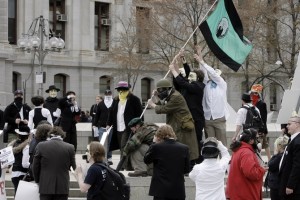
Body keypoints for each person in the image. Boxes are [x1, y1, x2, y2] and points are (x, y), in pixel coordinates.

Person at [147, 79, 199, 162]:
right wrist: (156, 97)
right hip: (177, 125)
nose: (160, 92)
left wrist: (152, 104)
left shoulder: (176, 97)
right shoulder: (171, 96)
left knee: (186, 147)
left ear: (167, 89)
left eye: (161, 90)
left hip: (183, 127)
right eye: (159, 90)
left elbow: (164, 109)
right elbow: (163, 106)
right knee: (179, 149)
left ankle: (188, 167)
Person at [170, 54, 206, 163]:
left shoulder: (199, 86)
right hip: (188, 118)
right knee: (188, 141)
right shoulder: (190, 84)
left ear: (198, 78)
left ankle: (199, 161)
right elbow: (182, 79)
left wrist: (174, 71)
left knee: (197, 140)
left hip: (197, 119)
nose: (188, 77)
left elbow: (183, 82)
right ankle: (189, 162)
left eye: (192, 76)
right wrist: (181, 62)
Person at [144, 124, 190, 200]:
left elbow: (146, 160)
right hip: (178, 190)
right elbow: (186, 170)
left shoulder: (156, 147)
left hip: (160, 190)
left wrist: (153, 143)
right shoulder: (184, 148)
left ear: (159, 135)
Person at [195, 47, 229, 146]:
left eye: (216, 75)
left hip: (219, 118)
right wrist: (201, 60)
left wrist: (203, 62)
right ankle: (212, 160)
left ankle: (224, 161)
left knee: (222, 145)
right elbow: (204, 73)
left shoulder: (222, 84)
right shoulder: (206, 84)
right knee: (210, 144)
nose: (213, 76)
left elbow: (213, 74)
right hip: (208, 119)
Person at [32, 126, 76, 200]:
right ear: (62, 135)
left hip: (45, 185)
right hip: (62, 186)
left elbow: (35, 166)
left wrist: (37, 180)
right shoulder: (70, 147)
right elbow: (74, 167)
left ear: (50, 135)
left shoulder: (41, 146)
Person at [107, 81, 143, 163]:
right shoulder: (116, 100)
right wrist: (109, 124)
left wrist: (138, 125)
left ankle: (122, 165)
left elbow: (140, 114)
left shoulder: (134, 100)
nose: (121, 91)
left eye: (123, 90)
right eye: (119, 90)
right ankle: (128, 164)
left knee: (124, 146)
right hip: (118, 127)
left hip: (129, 127)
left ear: (128, 90)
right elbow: (111, 113)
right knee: (121, 146)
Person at [226, 128, 267, 200]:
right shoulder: (247, 153)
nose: (259, 141)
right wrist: (262, 169)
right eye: (257, 138)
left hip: (239, 193)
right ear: (251, 140)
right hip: (245, 194)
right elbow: (251, 173)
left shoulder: (239, 150)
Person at [279, 116, 300, 199]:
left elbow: (297, 165)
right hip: (286, 183)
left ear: (297, 124)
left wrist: (290, 185)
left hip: (294, 188)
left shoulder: (298, 142)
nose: (287, 126)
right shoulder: (293, 139)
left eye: (289, 124)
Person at [250, 84, 271, 161]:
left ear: (258, 94)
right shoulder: (252, 103)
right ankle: (269, 159)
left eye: (255, 93)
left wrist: (262, 129)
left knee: (261, 144)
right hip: (255, 127)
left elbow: (264, 117)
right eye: (252, 93)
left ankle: (262, 160)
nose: (253, 94)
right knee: (265, 144)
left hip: (260, 127)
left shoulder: (262, 104)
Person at [93, 90, 114, 164]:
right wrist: (94, 125)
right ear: (104, 94)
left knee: (110, 143)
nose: (108, 95)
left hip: (111, 127)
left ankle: (109, 157)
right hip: (102, 127)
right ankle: (102, 157)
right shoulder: (101, 104)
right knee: (102, 143)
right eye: (106, 94)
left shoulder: (114, 103)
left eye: (109, 93)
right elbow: (97, 115)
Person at [8, 126, 30, 193]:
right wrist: (33, 165)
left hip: (14, 173)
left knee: (17, 194)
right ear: (28, 135)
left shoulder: (14, 144)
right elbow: (25, 164)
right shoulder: (26, 146)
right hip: (22, 174)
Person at [267, 135, 289, 200]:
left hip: (276, 185)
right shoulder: (287, 154)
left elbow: (270, 166)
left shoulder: (279, 157)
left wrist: (275, 154)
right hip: (282, 184)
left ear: (279, 146)